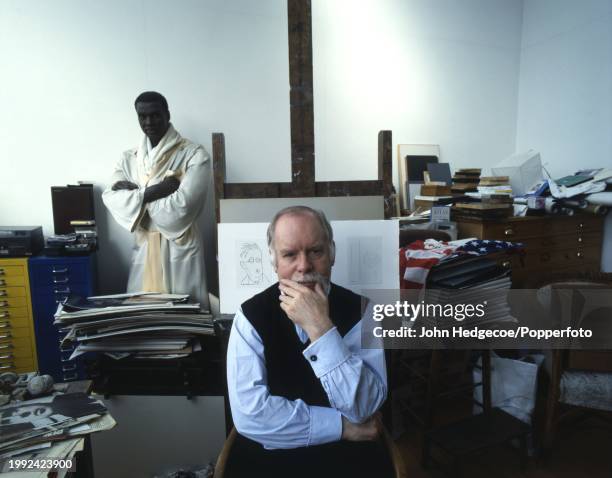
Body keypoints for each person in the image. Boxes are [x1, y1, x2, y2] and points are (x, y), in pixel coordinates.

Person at [226, 206, 393, 478]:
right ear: (273, 259)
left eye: (316, 251)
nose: (303, 266)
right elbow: (251, 415)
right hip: (271, 463)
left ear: (332, 253)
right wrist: (343, 427)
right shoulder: (249, 318)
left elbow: (364, 408)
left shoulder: (363, 312)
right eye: (289, 254)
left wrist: (320, 328)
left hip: (348, 462)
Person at [102, 91, 210, 309]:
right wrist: (155, 191)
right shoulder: (128, 158)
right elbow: (111, 197)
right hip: (144, 245)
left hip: (178, 242)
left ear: (167, 114)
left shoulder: (195, 155)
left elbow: (183, 205)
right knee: (143, 314)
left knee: (186, 313)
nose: (149, 122)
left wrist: (135, 197)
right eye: (143, 116)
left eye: (155, 115)